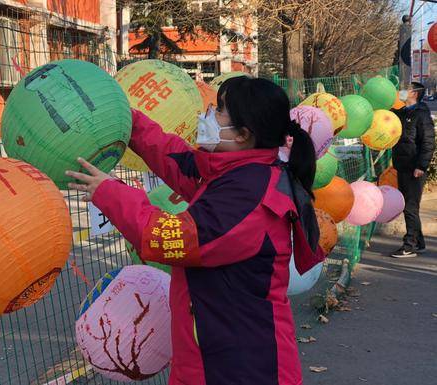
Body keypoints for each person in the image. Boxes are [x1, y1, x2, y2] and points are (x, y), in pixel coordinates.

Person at [67, 77, 325, 385]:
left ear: (243, 134)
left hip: (242, 369)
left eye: (220, 111)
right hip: (214, 356)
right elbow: (175, 159)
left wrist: (109, 193)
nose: (208, 113)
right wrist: (124, 118)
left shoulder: (251, 197)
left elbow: (166, 238)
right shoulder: (235, 171)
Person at [391, 82, 435, 258]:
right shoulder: (404, 112)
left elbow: (428, 143)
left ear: (415, 93)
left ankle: (409, 245)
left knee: (410, 207)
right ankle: (419, 242)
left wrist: (421, 167)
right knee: (410, 207)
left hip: (414, 169)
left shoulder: (421, 115)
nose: (402, 91)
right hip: (403, 166)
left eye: (406, 89)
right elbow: (389, 114)